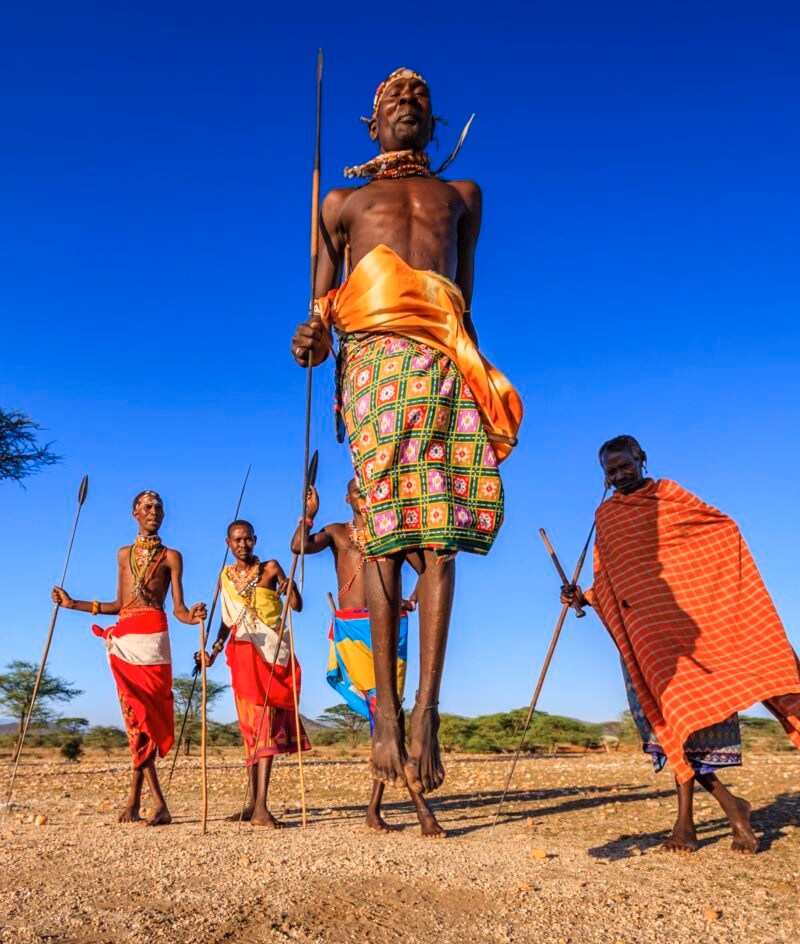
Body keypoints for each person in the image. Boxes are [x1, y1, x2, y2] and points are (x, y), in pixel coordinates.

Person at [291, 67, 523, 794]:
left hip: (445, 363)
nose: (408, 105)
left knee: (441, 537)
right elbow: (322, 311)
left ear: (435, 121)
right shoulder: (341, 201)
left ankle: (427, 710)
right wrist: (310, 341)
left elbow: (463, 300)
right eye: (394, 99)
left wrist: (479, 379)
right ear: (371, 123)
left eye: (420, 98)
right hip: (375, 367)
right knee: (388, 534)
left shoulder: (463, 197)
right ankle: (385, 712)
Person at [561, 436, 800, 853]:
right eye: (610, 471)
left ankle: (697, 821)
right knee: (667, 726)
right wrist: (582, 596)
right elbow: (612, 580)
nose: (619, 475)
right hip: (644, 639)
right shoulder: (606, 516)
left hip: (692, 640)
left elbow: (721, 530)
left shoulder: (669, 496)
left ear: (642, 459)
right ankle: (714, 813)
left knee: (687, 721)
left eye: (624, 466)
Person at [290, 480, 445, 836]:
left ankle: (375, 808)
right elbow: (298, 546)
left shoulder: (392, 533)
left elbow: (427, 569)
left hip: (391, 628)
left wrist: (414, 599)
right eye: (359, 491)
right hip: (353, 630)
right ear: (348, 498)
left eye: (371, 490)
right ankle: (420, 809)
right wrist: (309, 515)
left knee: (388, 715)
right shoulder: (337, 533)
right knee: (383, 713)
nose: (366, 496)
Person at [52, 490, 206, 825]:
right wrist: (72, 603)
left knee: (146, 720)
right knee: (135, 720)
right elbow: (117, 605)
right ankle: (147, 803)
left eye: (159, 507)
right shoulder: (124, 555)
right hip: (125, 639)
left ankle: (143, 803)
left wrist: (192, 616)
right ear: (134, 513)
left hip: (155, 641)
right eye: (147, 507)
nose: (154, 511)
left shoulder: (171, 557)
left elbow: (178, 608)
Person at [199, 520, 309, 827]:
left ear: (255, 540)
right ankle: (253, 805)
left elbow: (296, 607)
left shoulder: (271, 568)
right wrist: (213, 651)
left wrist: (291, 588)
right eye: (237, 540)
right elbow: (226, 621)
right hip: (242, 653)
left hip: (270, 654)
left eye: (247, 539)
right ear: (228, 544)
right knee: (250, 730)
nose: (243, 544)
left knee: (265, 727)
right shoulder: (225, 577)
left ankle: (261, 806)